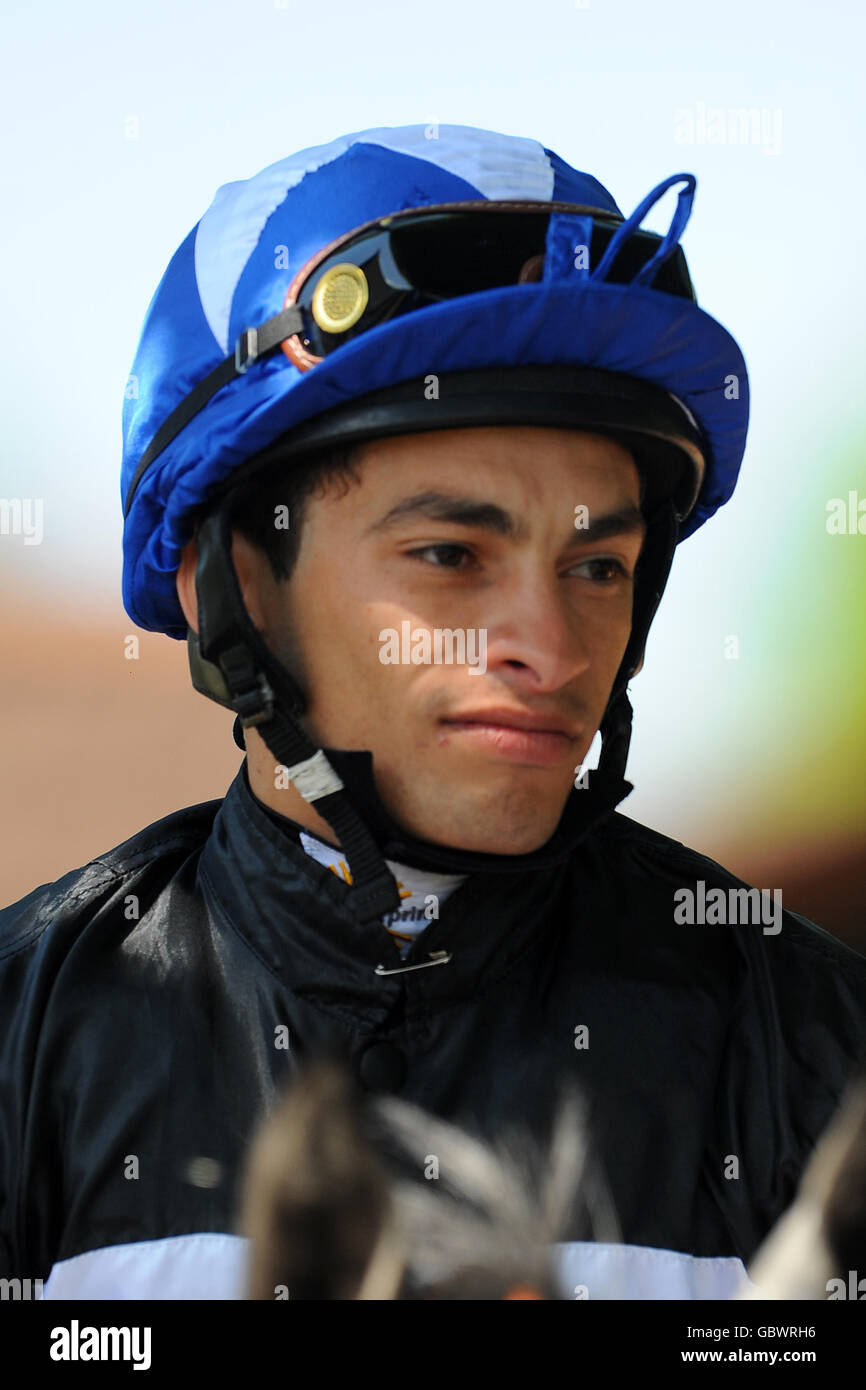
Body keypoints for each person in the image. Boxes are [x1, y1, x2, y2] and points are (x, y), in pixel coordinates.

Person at [1, 123, 864, 1301]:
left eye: (596, 566)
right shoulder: (23, 1037)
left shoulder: (824, 1051)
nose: (550, 650)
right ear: (231, 589)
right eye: (450, 552)